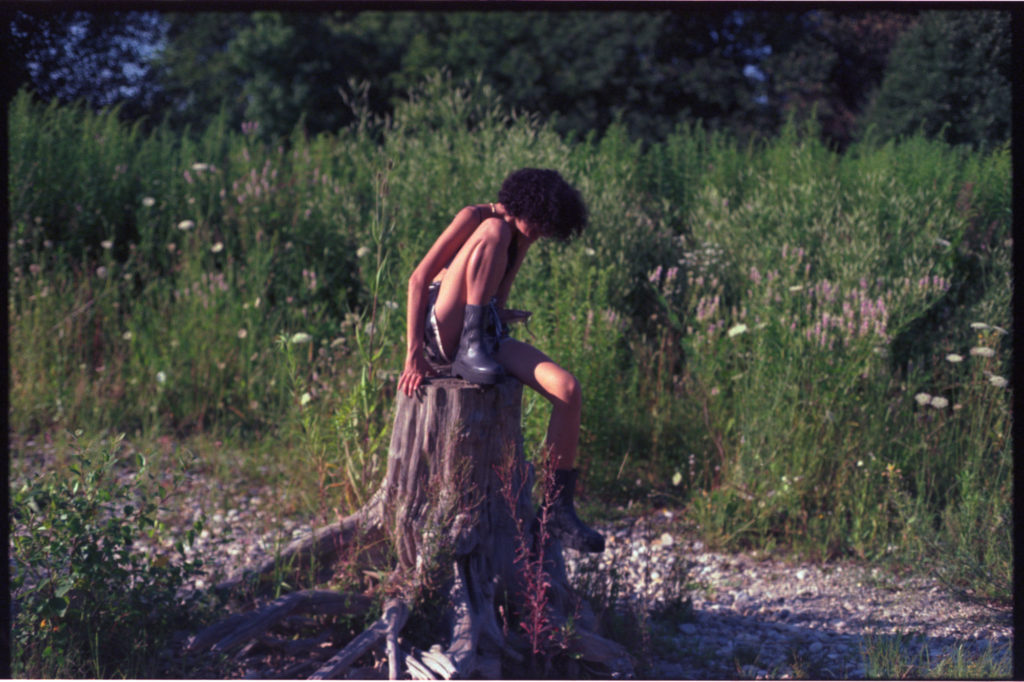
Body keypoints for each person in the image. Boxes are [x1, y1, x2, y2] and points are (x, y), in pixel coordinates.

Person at [397, 168, 604, 553]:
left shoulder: (521, 237)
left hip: (482, 333)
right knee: (495, 231)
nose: (540, 234)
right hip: (443, 331)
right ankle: (470, 350)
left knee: (568, 389)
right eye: (539, 225)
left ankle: (556, 510)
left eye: (547, 229)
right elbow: (418, 279)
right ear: (525, 205)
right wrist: (412, 356)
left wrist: (507, 308)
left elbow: (497, 299)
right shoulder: (476, 217)